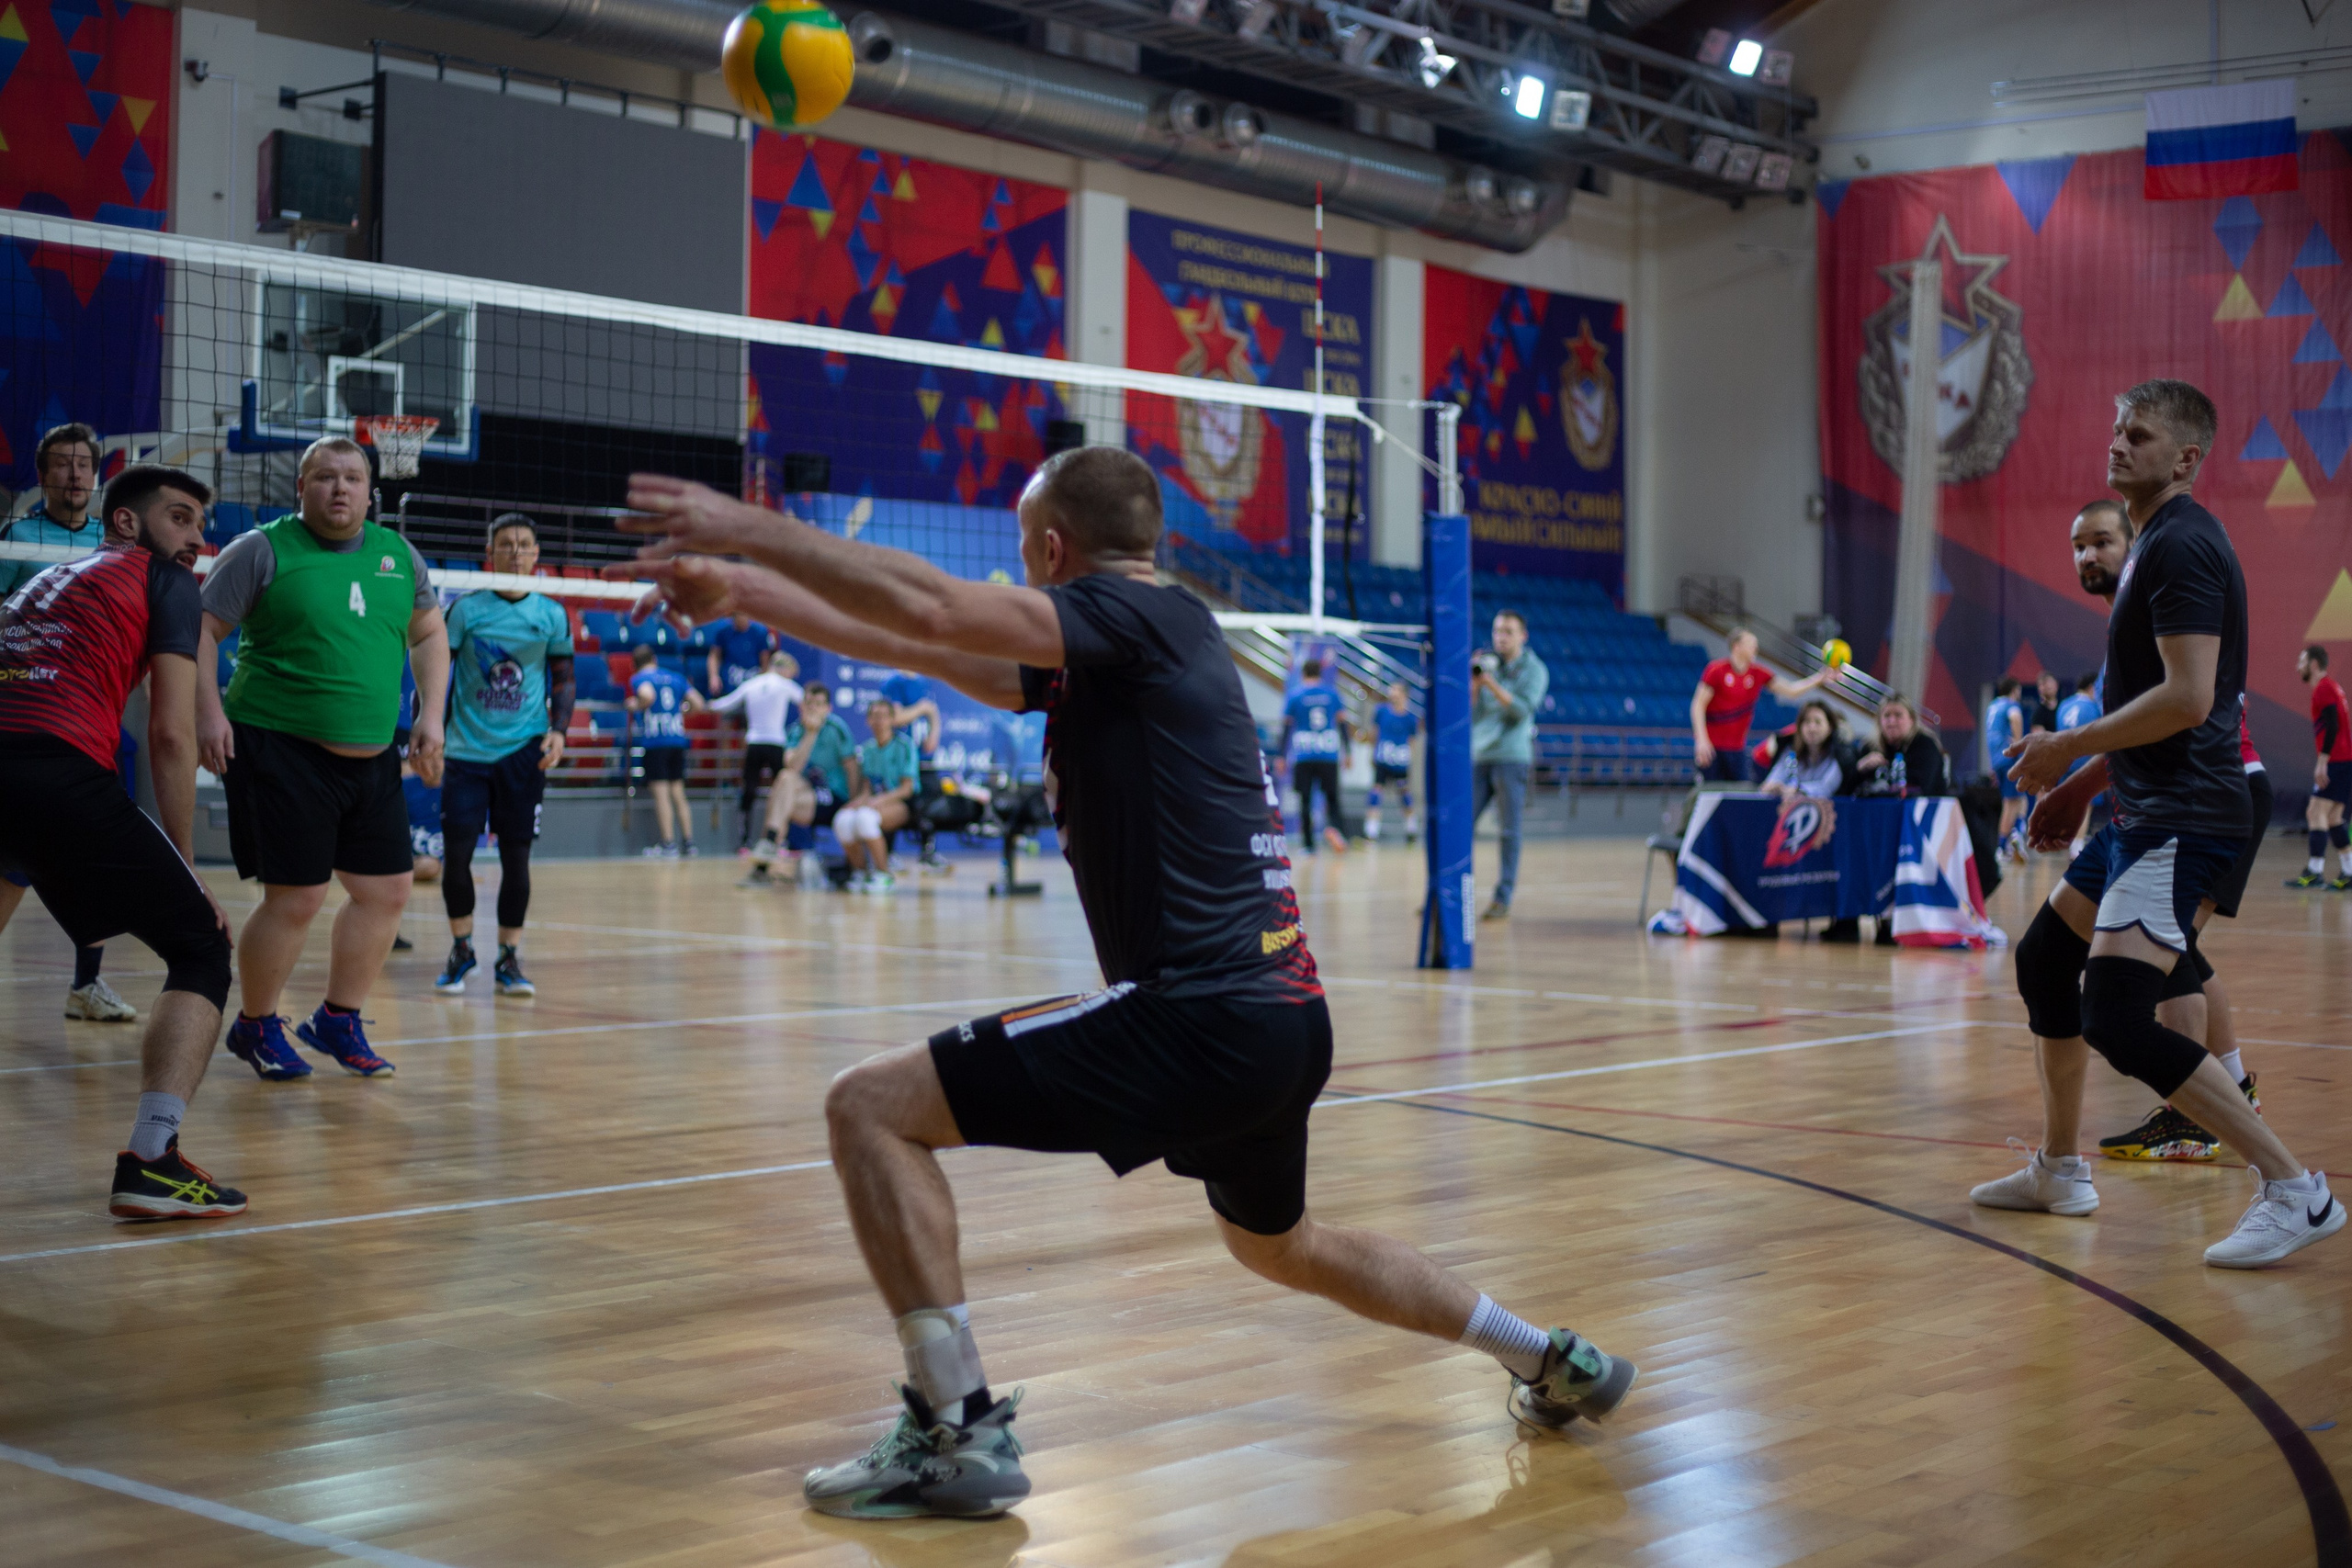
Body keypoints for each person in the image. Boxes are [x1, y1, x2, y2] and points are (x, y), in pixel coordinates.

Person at [608, 447, 1639, 1521]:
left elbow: (930, 601)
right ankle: (1545, 1356)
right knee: (1280, 1246)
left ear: (1054, 550)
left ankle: (954, 1430)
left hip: (1196, 1015)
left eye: (1022, 551)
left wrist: (748, 528)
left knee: (868, 1107)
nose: (1016, 568)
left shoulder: (1131, 620)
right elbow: (923, 639)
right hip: (1283, 1018)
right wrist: (746, 594)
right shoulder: (1148, 638)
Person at [1979, 378, 2339, 1269]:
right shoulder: (2150, 548)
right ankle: (2061, 1171)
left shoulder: (2182, 546)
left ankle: (2295, 1190)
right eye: (2115, 430)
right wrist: (2080, 785)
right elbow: (2153, 703)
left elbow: (2186, 699)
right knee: (2043, 961)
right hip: (2144, 811)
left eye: (2137, 435)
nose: (2116, 444)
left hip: (2185, 817)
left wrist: (2064, 748)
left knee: (2115, 1013)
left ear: (2184, 457)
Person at [0, 465, 244, 1217]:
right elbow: (170, 734)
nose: (196, 542)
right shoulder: (163, 583)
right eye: (180, 519)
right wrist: (186, 864)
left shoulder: (38, 585)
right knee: (201, 944)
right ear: (128, 523)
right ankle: (152, 1156)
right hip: (52, 764)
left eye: (203, 527)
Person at [197, 436, 447, 1082]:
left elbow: (428, 632)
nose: (341, 488)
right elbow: (201, 630)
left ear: (371, 491)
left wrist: (431, 714)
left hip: (372, 754)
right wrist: (207, 710)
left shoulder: (400, 556)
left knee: (387, 890)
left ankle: (338, 1018)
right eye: (326, 477)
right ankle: (256, 1023)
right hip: (281, 744)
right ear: (300, 487)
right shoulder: (261, 549)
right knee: (298, 897)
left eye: (353, 478)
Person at [0, 421, 129, 1021]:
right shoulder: (17, 537)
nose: (74, 473)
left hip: (97, 721)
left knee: (95, 856)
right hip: (30, 720)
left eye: (83, 463)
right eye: (61, 463)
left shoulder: (115, 542)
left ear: (96, 474)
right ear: (42, 474)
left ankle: (87, 985)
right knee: (14, 861)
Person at [432, 513, 576, 998]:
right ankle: (462, 949)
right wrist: (428, 727)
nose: (516, 551)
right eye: (507, 544)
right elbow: (437, 674)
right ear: (490, 552)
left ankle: (509, 958)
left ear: (538, 554)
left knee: (517, 861)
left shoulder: (551, 614)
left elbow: (564, 680)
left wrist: (559, 730)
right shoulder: (466, 610)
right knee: (456, 858)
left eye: (525, 544)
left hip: (524, 751)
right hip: (466, 750)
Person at [1473, 611, 1550, 920]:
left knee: (1508, 831)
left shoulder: (1534, 669)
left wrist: (1490, 684)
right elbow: (1474, 714)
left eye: (1508, 631)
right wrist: (1474, 683)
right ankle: (1448, 891)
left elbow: (1520, 710)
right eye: (1496, 631)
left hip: (1511, 758)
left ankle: (1502, 897)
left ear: (1523, 636)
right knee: (1459, 826)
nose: (1500, 637)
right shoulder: (1487, 666)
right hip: (1480, 755)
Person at [744, 683, 859, 885]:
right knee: (785, 779)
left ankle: (764, 858)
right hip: (807, 797)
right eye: (809, 703)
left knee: (780, 793)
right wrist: (810, 734)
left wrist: (855, 803)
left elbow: (852, 768)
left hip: (834, 798)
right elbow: (793, 767)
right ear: (801, 707)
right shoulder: (796, 731)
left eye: (819, 704)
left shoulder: (837, 729)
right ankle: (770, 844)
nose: (813, 708)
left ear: (828, 709)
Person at [1689, 628, 1827, 784]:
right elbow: (1698, 705)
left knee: (1739, 798)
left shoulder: (1758, 673)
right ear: (1737, 646)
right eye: (1751, 644)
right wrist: (1701, 741)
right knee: (1707, 797)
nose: (1756, 648)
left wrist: (1820, 678)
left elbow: (1791, 691)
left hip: (1737, 749)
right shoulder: (1716, 670)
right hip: (1712, 749)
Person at [709, 646, 803, 851]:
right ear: (784, 669)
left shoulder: (751, 684)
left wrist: (705, 706)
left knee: (748, 791)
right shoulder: (785, 684)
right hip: (776, 743)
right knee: (782, 792)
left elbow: (725, 703)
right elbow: (807, 701)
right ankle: (779, 841)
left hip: (754, 743)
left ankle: (744, 842)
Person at [627, 642, 704, 857]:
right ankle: (689, 843)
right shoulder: (675, 677)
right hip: (677, 738)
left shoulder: (640, 678)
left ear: (635, 664)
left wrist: (636, 704)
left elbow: (647, 695)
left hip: (656, 740)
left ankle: (668, 844)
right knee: (678, 792)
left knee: (661, 794)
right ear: (654, 659)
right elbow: (698, 702)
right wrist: (681, 712)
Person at [2288, 644, 2352, 889]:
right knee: (2334, 817)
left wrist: (2322, 762)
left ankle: (2315, 871)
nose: (2298, 667)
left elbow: (2333, 726)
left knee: (2315, 811)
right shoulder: (2332, 687)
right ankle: (2348, 871)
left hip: (2336, 761)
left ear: (2314, 664)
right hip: (2344, 760)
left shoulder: (2323, 689)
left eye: (2301, 662)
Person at [839, 697, 919, 892]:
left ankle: (884, 874)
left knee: (865, 819)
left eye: (884, 716)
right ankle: (861, 872)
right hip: (875, 802)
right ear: (868, 721)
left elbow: (906, 789)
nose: (879, 721)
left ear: (893, 720)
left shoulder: (904, 746)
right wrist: (856, 803)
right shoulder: (867, 749)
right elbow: (867, 789)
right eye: (874, 716)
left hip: (904, 804)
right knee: (843, 820)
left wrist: (877, 801)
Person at [1279, 657, 1351, 855]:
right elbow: (1343, 725)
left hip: (1304, 754)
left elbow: (1286, 727)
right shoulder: (1332, 694)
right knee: (1333, 798)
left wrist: (1281, 756)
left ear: (1303, 673)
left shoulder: (1295, 695)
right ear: (1320, 673)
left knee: (1305, 800)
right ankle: (1335, 830)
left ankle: (1309, 845)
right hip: (1328, 753)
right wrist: (1348, 752)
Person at [883, 669, 952, 872]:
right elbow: (895, 718)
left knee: (929, 804)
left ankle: (928, 853)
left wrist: (934, 731)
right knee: (896, 801)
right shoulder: (893, 682)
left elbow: (933, 712)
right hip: (901, 758)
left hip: (923, 758)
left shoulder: (923, 680)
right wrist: (923, 708)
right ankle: (888, 854)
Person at [1849, 694, 1945, 798]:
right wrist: (1860, 768)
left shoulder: (1926, 745)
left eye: (1898, 715)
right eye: (1887, 716)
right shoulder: (1869, 747)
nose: (1892, 722)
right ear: (1879, 721)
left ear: (1911, 720)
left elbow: (1921, 787)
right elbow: (1847, 790)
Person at [1365, 681, 1419, 843]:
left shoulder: (1410, 718)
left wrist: (1410, 758)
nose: (1392, 692)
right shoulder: (1381, 711)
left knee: (1405, 794)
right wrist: (1372, 753)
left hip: (1400, 762)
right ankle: (1371, 832)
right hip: (1383, 759)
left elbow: (1412, 741)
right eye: (1392, 689)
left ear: (1404, 695)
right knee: (1376, 793)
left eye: (1396, 689)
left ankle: (1411, 829)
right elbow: (1374, 733)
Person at [1758, 700, 1844, 801]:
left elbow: (1827, 787)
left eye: (1818, 722)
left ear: (1830, 727)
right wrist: (1772, 787)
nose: (1812, 728)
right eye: (1807, 722)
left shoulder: (1840, 754)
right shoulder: (1791, 752)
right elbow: (1776, 777)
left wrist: (1798, 790)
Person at [1984, 677, 2029, 859]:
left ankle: (2016, 833)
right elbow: (2015, 718)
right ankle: (2002, 847)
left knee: (2020, 798)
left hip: (1997, 760)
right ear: (2015, 690)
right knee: (2011, 804)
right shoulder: (2011, 705)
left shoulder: (1992, 706)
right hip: (2011, 758)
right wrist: (2019, 744)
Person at [706, 610, 777, 697]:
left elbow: (765, 661)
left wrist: (761, 683)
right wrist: (714, 676)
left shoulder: (760, 631)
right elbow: (714, 656)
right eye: (737, 615)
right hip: (729, 684)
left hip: (752, 684)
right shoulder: (723, 630)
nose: (741, 619)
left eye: (743, 615)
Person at [2027, 671, 2062, 736]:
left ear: (2056, 685)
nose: (2047, 686)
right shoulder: (2038, 714)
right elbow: (2039, 740)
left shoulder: (2064, 707)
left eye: (2049, 682)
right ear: (2039, 689)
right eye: (2042, 684)